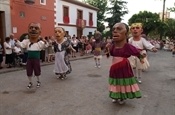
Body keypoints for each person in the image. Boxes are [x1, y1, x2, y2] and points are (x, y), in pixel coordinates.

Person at [106, 22, 144, 104]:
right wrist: (107, 50)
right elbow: (110, 53)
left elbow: (137, 53)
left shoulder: (127, 46)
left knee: (123, 82)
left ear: (126, 33)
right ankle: (115, 96)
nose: (115, 31)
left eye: (119, 29)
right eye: (114, 30)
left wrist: (141, 57)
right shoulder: (112, 46)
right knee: (115, 82)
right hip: (114, 67)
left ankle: (122, 97)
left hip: (124, 67)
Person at [15, 22, 48, 89]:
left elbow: (45, 46)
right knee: (29, 71)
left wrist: (45, 42)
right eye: (31, 28)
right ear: (28, 30)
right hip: (29, 59)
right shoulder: (26, 41)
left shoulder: (40, 42)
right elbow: (22, 45)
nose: (33, 29)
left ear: (40, 32)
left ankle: (38, 81)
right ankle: (30, 82)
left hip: (36, 59)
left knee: (37, 70)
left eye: (36, 28)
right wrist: (17, 41)